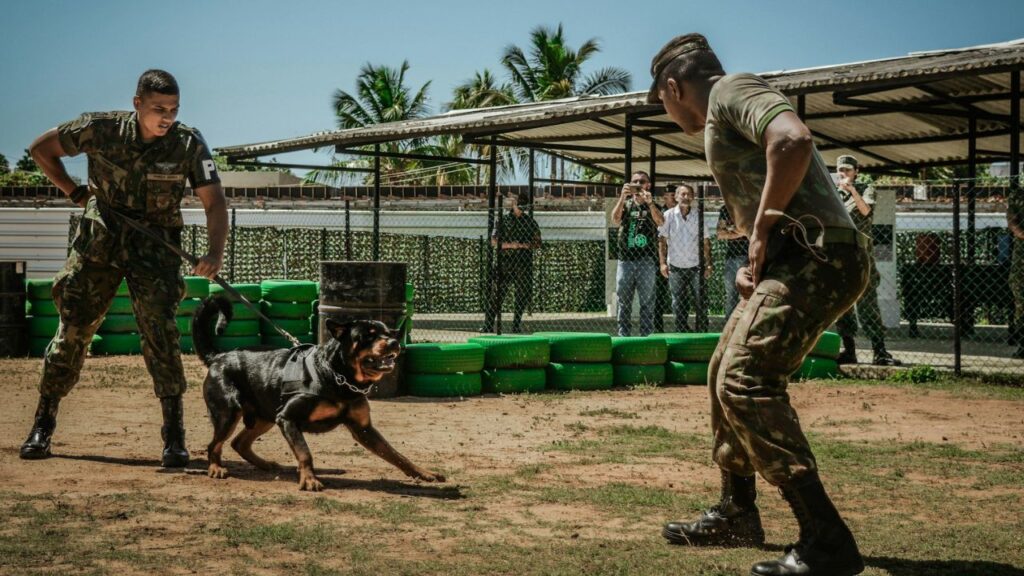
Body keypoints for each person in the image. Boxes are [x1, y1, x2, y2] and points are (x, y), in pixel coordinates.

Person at [648, 34, 869, 576]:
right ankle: (737, 510)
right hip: (795, 259)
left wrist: (765, 223)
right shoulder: (721, 116)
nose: (667, 111)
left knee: (745, 378)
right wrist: (760, 256)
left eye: (663, 101)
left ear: (674, 87)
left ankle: (826, 539)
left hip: (819, 258)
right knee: (723, 365)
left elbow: (792, 139)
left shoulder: (731, 90)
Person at [20, 70, 228, 468]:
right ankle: (43, 424)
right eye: (158, 109)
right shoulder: (100, 129)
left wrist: (214, 254)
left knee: (161, 334)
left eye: (173, 109)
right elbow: (40, 149)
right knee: (74, 331)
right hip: (100, 244)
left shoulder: (188, 143)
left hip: (155, 248)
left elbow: (215, 202)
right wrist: (75, 192)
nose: (166, 117)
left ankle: (174, 435)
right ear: (137, 105)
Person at [834, 155, 900, 366]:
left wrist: (852, 190)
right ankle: (849, 350)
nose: (843, 173)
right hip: (841, 259)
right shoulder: (833, 194)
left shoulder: (865, 189)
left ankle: (879, 352)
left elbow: (866, 211)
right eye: (840, 170)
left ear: (856, 172)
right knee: (842, 308)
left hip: (862, 258)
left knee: (868, 305)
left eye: (847, 169)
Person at [611, 170, 664, 336]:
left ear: (648, 185)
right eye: (635, 181)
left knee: (647, 301)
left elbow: (660, 222)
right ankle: (623, 335)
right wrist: (622, 197)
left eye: (642, 181)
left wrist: (649, 203)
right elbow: (615, 219)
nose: (638, 184)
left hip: (646, 260)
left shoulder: (653, 204)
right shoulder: (626, 204)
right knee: (623, 300)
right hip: (625, 259)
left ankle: (646, 335)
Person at [482, 191, 542, 334]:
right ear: (514, 203)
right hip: (505, 263)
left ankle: (516, 325)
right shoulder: (503, 221)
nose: (522, 205)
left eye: (524, 202)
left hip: (523, 264)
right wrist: (511, 245)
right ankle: (488, 325)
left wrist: (522, 245)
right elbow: (494, 241)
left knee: (522, 295)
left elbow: (538, 243)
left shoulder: (530, 222)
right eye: (520, 202)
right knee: (497, 295)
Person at [658, 183, 712, 332]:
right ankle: (681, 331)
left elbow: (706, 241)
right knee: (678, 303)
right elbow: (662, 240)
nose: (686, 197)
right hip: (675, 267)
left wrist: (708, 264)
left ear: (693, 197)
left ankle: (702, 333)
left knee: (701, 301)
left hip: (696, 266)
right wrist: (662, 263)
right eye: (682, 194)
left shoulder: (698, 215)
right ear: (676, 197)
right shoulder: (668, 215)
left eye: (689, 194)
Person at [716, 203, 749, 318]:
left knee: (748, 293)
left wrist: (731, 231)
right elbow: (720, 234)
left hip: (748, 257)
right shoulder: (726, 209)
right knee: (731, 294)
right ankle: (728, 326)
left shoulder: (750, 206)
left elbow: (753, 231)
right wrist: (741, 232)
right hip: (731, 257)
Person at [653, 186, 677, 333]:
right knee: (659, 294)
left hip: (678, 257)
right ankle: (657, 325)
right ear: (664, 198)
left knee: (680, 294)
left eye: (675, 195)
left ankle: (681, 324)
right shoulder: (659, 213)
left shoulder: (681, 213)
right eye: (670, 196)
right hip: (660, 259)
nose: (673, 198)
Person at [1009, 189, 1024, 358]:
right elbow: (1013, 222)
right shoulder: (1018, 195)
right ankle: (1023, 344)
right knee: (1020, 299)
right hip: (1021, 259)